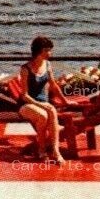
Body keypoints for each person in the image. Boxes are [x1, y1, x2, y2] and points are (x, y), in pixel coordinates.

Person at [18, 36, 67, 165]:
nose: (49, 53)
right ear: (38, 51)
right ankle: (42, 150)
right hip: (26, 104)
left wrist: (64, 100)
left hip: (43, 103)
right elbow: (24, 95)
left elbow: (53, 84)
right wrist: (42, 105)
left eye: (50, 50)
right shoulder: (25, 69)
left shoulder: (48, 65)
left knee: (48, 112)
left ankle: (55, 152)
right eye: (46, 50)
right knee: (44, 114)